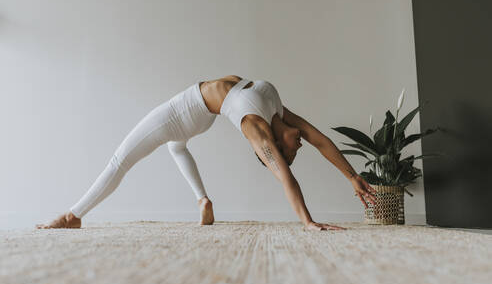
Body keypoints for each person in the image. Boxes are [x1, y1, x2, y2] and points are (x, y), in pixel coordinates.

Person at [37, 75, 376, 231]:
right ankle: (202, 200)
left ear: (272, 146)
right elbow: (315, 144)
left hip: (184, 113)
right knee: (175, 147)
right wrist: (347, 181)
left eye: (291, 152)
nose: (299, 146)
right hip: (192, 117)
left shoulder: (261, 125)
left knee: (121, 159)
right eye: (294, 150)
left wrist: (313, 216)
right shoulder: (272, 113)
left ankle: (72, 216)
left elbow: (296, 166)